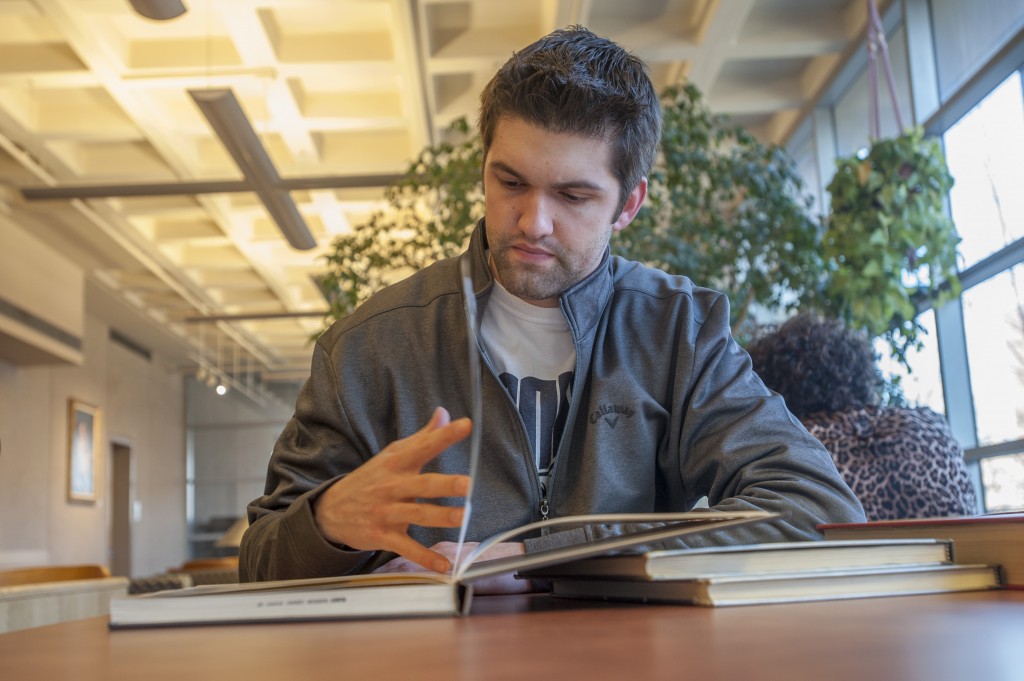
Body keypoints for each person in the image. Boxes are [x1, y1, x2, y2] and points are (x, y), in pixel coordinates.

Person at [240, 26, 864, 588]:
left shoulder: (678, 330)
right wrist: (326, 522)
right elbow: (260, 561)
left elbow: (816, 507)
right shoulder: (367, 347)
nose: (532, 221)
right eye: (509, 182)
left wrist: (541, 555)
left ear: (629, 204)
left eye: (573, 194)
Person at [746, 313, 977, 521]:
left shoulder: (794, 447)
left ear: (772, 385)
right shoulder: (932, 427)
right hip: (964, 565)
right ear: (859, 372)